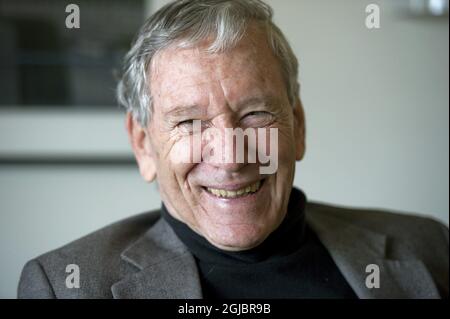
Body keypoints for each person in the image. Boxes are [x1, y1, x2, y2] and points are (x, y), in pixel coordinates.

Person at [18, 0, 448, 299]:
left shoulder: (427, 247)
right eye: (189, 122)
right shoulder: (66, 284)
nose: (231, 157)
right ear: (144, 144)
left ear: (297, 125)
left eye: (255, 114)